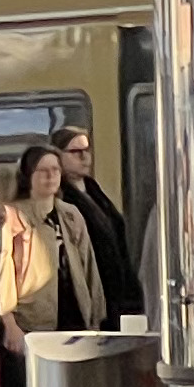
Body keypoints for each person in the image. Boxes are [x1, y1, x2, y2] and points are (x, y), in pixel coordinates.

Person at [0, 142, 100, 387]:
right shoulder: (12, 216)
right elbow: (1, 272)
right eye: (43, 170)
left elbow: (88, 269)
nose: (51, 176)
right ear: (29, 176)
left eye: (55, 170)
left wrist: (95, 318)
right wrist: (8, 322)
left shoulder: (70, 215)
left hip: (70, 319)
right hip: (29, 321)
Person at [54, 125, 144, 326]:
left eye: (87, 150)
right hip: (91, 285)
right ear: (59, 156)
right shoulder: (62, 198)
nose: (84, 157)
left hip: (115, 284)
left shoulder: (93, 190)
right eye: (75, 152)